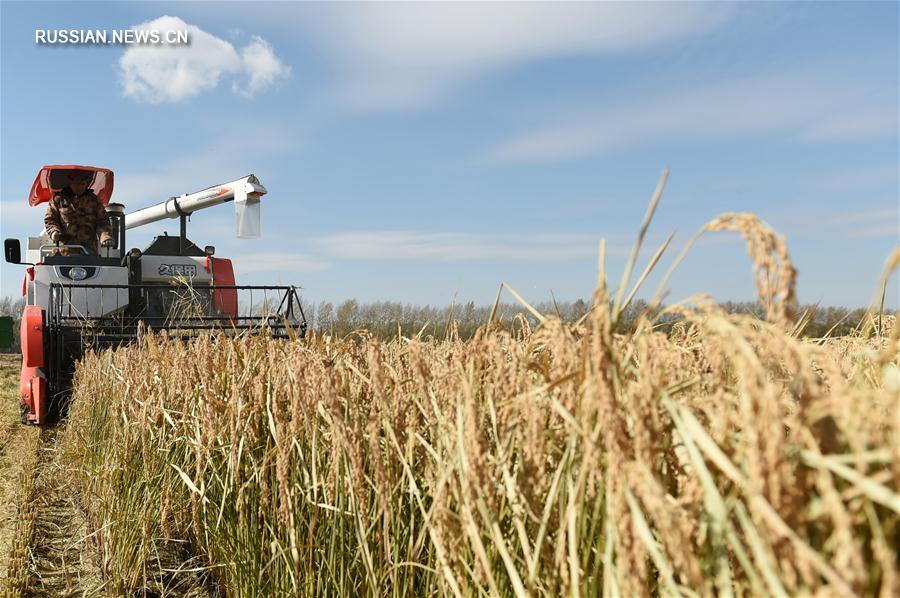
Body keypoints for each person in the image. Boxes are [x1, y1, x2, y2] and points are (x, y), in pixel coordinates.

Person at [43, 170, 114, 256]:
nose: (79, 187)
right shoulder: (58, 200)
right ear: (70, 183)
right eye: (76, 184)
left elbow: (103, 221)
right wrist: (54, 231)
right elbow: (50, 219)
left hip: (89, 252)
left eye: (82, 184)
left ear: (87, 184)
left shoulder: (94, 200)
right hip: (64, 253)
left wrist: (105, 236)